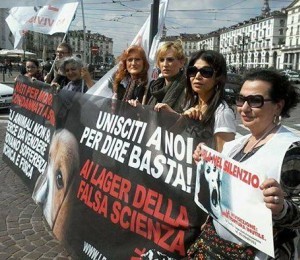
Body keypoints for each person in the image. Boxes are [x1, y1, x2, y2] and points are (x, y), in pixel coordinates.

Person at [189, 69, 300, 259]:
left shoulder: (291, 150)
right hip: (215, 248)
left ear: (278, 106)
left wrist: (281, 208)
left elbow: (296, 213)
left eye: (255, 101)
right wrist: (205, 161)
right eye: (241, 99)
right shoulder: (235, 145)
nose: (244, 108)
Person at [155, 50, 236, 152]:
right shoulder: (189, 103)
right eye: (192, 71)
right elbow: (168, 141)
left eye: (206, 72)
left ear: (218, 77)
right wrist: (181, 118)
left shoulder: (222, 113)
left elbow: (223, 161)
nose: (197, 76)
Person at [129, 41, 187, 112]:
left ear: (181, 62)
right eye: (162, 60)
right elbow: (150, 117)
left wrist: (172, 113)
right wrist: (141, 110)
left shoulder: (188, 88)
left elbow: (191, 121)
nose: (165, 64)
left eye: (170, 60)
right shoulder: (155, 87)